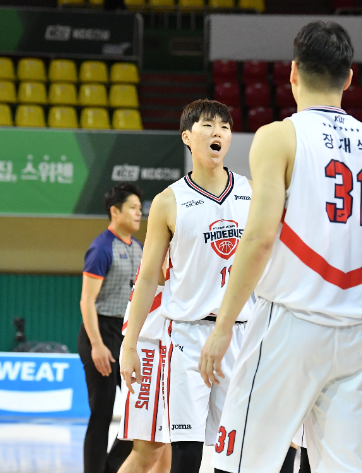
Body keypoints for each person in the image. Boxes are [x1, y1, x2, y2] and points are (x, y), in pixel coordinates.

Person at [200, 20, 362, 473]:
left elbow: (261, 237)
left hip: (293, 323)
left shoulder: (279, 136)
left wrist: (224, 324)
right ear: (349, 77)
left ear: (292, 73)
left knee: (241, 462)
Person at [119, 99, 254, 473]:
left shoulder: (252, 192)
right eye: (208, 126)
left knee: (236, 452)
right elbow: (148, 277)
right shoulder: (168, 201)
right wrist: (129, 345)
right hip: (187, 337)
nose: (218, 133)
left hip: (239, 336)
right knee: (186, 452)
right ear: (187, 137)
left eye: (225, 127)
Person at [79, 182, 143, 473]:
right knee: (102, 414)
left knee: (140, 410)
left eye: (141, 209)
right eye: (133, 208)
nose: (139, 214)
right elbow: (87, 301)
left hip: (127, 333)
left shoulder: (140, 248)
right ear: (114, 211)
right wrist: (97, 345)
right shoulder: (101, 248)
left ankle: (111, 467)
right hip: (101, 331)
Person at [116, 258, 171, 473]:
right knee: (146, 453)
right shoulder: (170, 241)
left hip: (167, 344)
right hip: (149, 345)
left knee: (166, 456)